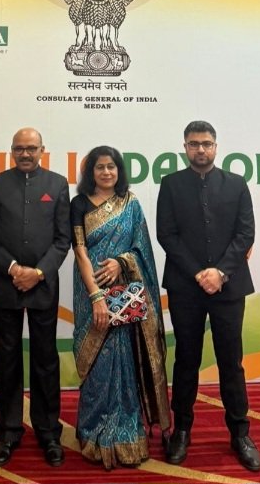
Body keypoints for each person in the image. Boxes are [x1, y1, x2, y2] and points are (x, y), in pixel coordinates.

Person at [156, 120, 260, 472]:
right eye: (193, 143)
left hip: (229, 287)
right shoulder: (171, 185)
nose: (200, 149)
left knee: (231, 361)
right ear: (184, 147)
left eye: (206, 143)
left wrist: (221, 273)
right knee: (186, 360)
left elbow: (245, 233)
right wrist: (199, 273)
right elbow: (167, 235)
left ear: (216, 146)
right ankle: (182, 431)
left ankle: (240, 434)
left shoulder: (236, 184)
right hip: (186, 287)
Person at [71, 146, 171, 470]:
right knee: (97, 364)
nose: (106, 172)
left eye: (111, 167)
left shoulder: (131, 203)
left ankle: (127, 433)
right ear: (91, 172)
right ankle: (93, 433)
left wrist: (121, 262)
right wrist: (95, 296)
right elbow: (80, 251)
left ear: (119, 171)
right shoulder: (79, 204)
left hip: (124, 291)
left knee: (124, 359)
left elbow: (142, 250)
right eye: (100, 167)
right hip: (90, 291)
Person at [0, 127, 71, 467]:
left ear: (42, 150)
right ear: (12, 151)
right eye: (19, 148)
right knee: (7, 360)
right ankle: (8, 432)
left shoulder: (57, 184)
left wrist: (39, 272)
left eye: (31, 148)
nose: (25, 154)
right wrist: (14, 268)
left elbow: (63, 239)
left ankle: (48, 433)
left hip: (43, 286)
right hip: (8, 285)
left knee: (46, 360)